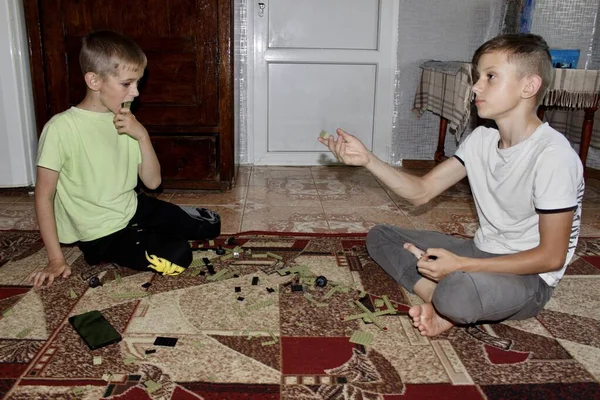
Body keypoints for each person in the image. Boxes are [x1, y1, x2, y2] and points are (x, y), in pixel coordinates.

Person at [318, 33, 584, 337]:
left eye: (490, 77)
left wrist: (460, 265)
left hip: (528, 278)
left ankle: (446, 303)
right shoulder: (482, 139)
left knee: (457, 291)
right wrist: (368, 160)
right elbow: (422, 192)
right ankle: (439, 301)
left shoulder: (553, 156)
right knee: (381, 237)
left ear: (529, 86)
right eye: (477, 76)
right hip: (482, 251)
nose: (475, 86)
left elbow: (551, 256)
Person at [28, 31, 221, 288]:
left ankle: (157, 227)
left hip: (132, 206)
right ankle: (114, 246)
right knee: (177, 257)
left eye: (138, 83)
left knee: (211, 226)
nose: (136, 92)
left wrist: (142, 135)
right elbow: (44, 195)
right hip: (101, 231)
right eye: (127, 84)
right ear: (94, 81)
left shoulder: (125, 119)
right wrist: (55, 258)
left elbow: (152, 183)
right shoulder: (61, 128)